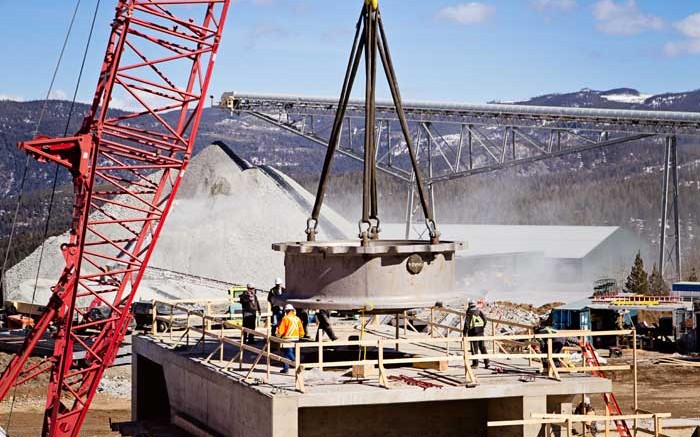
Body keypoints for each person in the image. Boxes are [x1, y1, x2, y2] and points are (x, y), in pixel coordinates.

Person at [276, 304, 305, 373]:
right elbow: (301, 328)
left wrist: (278, 335)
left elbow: (281, 329)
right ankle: (286, 369)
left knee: (289, 352)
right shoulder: (297, 318)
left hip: (287, 338)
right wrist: (301, 335)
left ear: (286, 311)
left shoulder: (285, 318)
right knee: (286, 353)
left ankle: (296, 363)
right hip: (296, 339)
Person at [463, 300, 489, 369]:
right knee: (482, 348)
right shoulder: (480, 312)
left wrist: (464, 333)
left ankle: (475, 364)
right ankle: (487, 362)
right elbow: (485, 321)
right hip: (481, 333)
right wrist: (481, 328)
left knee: (474, 349)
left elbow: (466, 324)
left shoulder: (469, 313)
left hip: (473, 333)